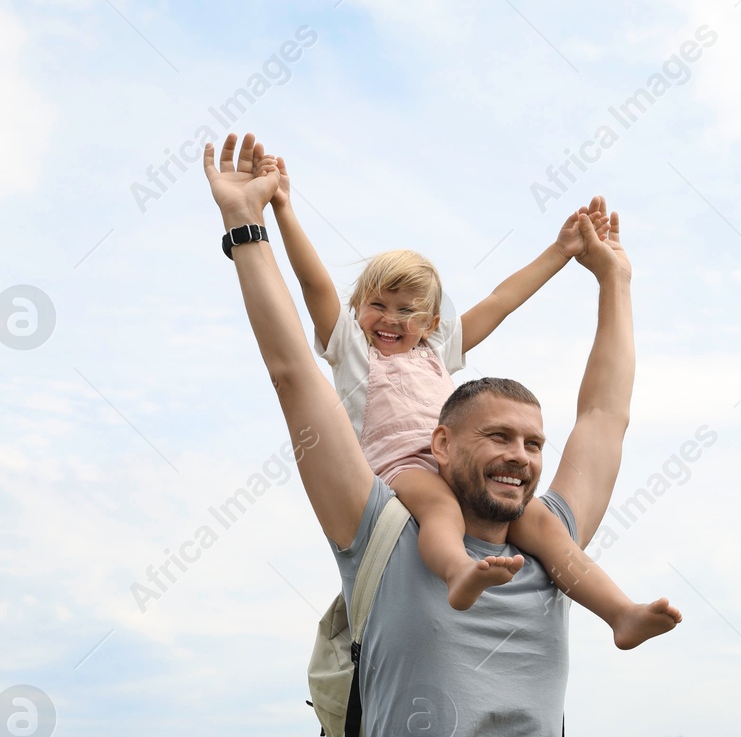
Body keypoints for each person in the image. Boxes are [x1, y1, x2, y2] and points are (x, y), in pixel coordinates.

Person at [202, 132, 673, 737]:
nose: (521, 455)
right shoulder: (381, 527)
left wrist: (612, 277)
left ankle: (621, 617)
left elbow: (607, 413)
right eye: (498, 436)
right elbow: (296, 370)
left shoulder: (554, 549)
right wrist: (247, 225)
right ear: (443, 446)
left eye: (533, 443)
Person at [266, 152, 679, 648]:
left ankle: (619, 612)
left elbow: (501, 301)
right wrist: (284, 210)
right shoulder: (354, 350)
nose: (391, 320)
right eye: (377, 305)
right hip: (404, 468)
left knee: (544, 525)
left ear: (432, 323)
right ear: (357, 310)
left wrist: (560, 250)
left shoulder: (438, 350)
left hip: (459, 464)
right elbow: (315, 285)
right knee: (442, 512)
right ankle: (459, 570)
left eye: (407, 310)